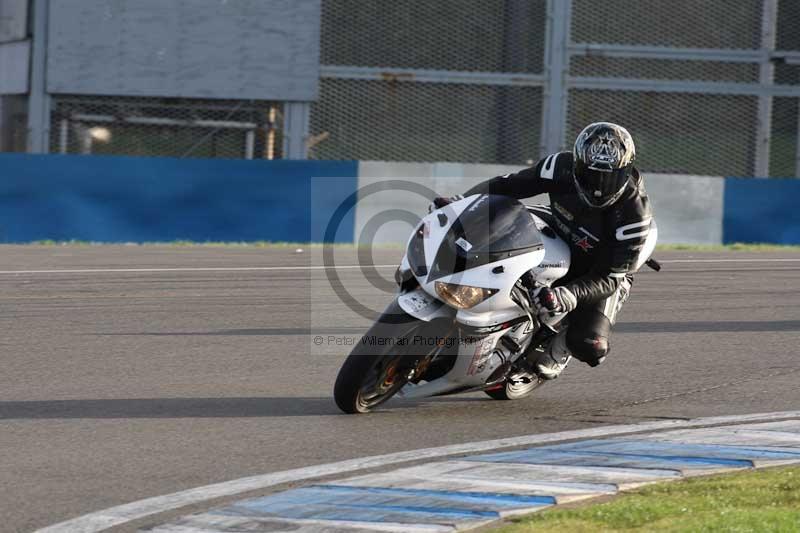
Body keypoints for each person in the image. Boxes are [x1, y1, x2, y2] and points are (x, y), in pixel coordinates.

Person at [434, 122, 656, 379]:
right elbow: (508, 186)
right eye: (591, 175)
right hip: (558, 224)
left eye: (609, 177)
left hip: (599, 266)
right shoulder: (559, 167)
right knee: (489, 236)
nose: (599, 186)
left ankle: (560, 347)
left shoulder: (634, 215)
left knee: (590, 345)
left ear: (626, 170)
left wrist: (567, 295)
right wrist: (461, 205)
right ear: (577, 164)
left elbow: (609, 277)